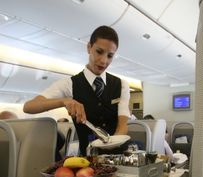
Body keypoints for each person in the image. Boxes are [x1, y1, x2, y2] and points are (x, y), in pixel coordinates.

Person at [23, 26, 130, 155]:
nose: (104, 60)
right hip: (88, 160)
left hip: (119, 156)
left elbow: (122, 124)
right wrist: (64, 101)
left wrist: (112, 144)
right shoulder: (69, 84)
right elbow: (29, 107)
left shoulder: (122, 85)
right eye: (99, 51)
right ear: (89, 47)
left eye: (110, 56)